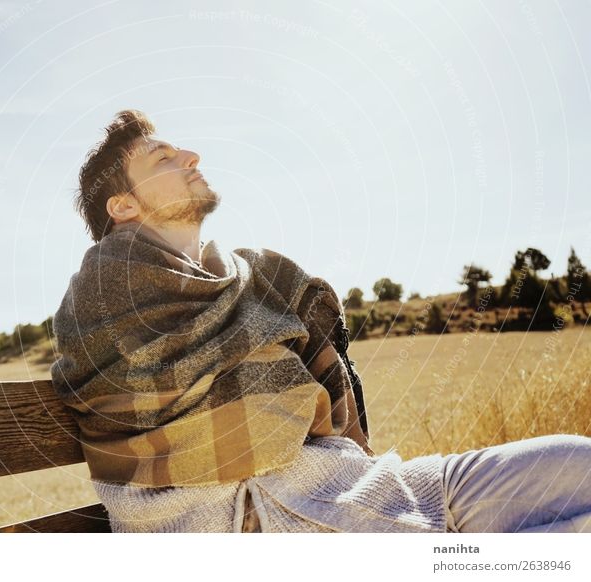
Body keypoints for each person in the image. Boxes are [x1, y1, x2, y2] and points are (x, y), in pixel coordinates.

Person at [50, 110, 591, 533]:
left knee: (578, 466)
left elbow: (287, 393)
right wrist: (279, 385)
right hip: (245, 520)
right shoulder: (103, 290)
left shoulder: (250, 277)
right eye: (162, 158)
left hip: (351, 486)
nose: (191, 155)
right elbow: (241, 421)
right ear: (122, 207)